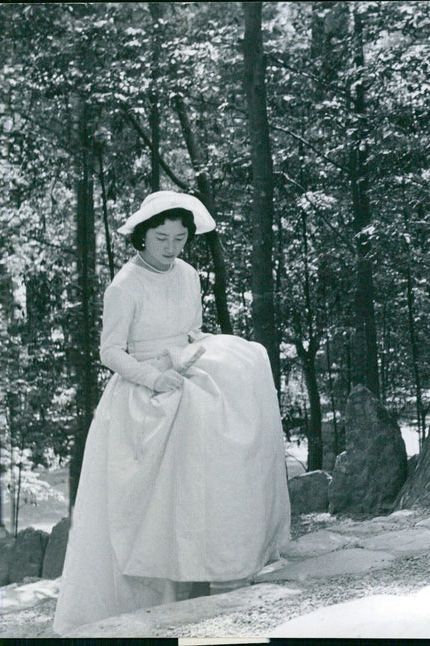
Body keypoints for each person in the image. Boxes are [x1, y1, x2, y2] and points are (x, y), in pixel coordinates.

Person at [53, 191, 291, 634]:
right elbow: (110, 352)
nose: (171, 247)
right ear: (141, 237)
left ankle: (221, 558)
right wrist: (153, 377)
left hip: (184, 367)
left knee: (244, 377)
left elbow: (190, 329)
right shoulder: (124, 285)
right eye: (161, 238)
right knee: (156, 492)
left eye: (180, 238)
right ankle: (161, 586)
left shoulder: (188, 274)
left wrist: (202, 352)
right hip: (144, 385)